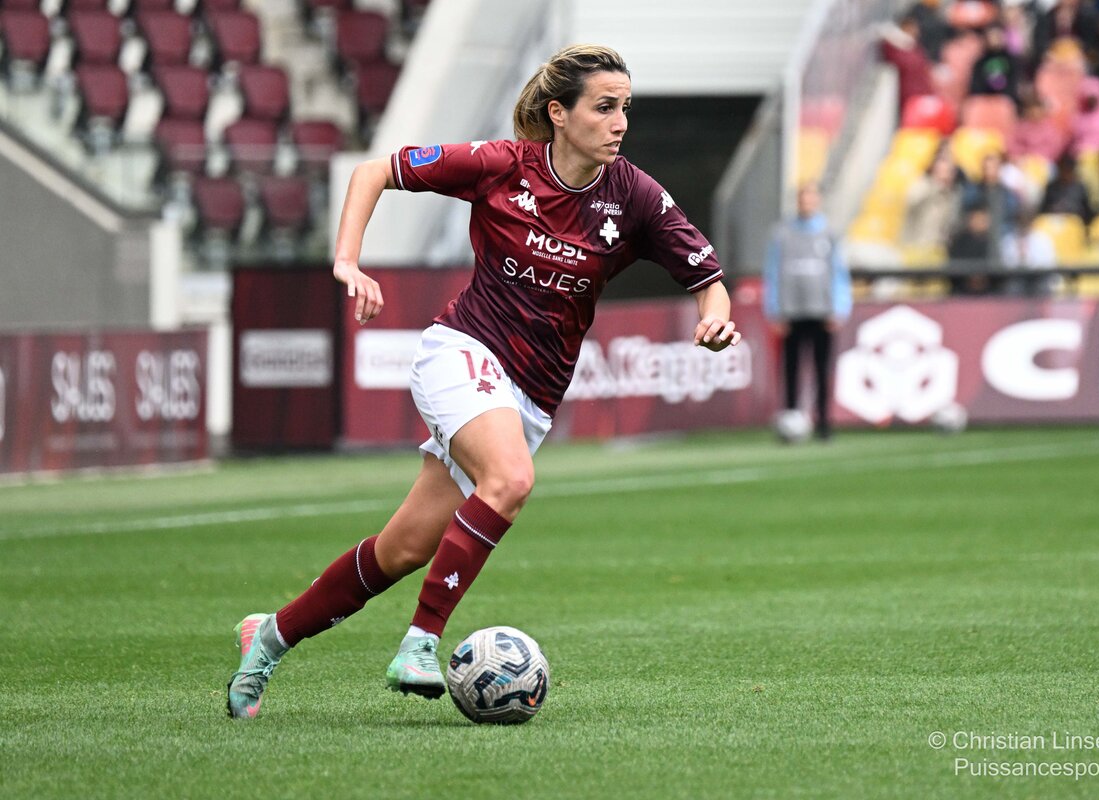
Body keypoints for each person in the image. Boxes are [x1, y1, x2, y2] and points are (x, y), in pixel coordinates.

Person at [225, 44, 741, 719]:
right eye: (604, 107)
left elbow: (708, 279)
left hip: (531, 396)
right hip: (462, 350)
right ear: (559, 113)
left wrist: (714, 319)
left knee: (403, 549)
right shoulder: (501, 165)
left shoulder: (634, 196)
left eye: (625, 108)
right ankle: (420, 642)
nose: (620, 123)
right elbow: (374, 171)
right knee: (511, 479)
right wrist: (348, 261)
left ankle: (267, 637)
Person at [762, 184, 851, 443]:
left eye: (811, 199)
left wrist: (839, 308)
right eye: (803, 199)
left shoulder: (830, 233)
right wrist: (775, 310)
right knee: (791, 370)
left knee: (822, 369)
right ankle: (790, 420)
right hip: (791, 312)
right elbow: (772, 272)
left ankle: (824, 423)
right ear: (798, 202)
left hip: (822, 311)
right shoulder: (781, 233)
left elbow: (839, 272)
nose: (807, 203)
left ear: (818, 201)